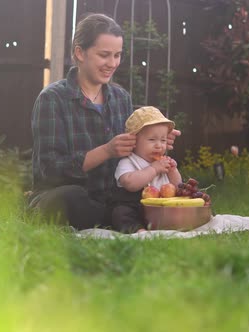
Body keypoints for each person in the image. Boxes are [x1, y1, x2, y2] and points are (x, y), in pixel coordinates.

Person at [29, 13, 180, 230]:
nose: (112, 63)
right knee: (71, 197)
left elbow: (133, 157)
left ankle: (114, 218)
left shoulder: (121, 98)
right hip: (64, 195)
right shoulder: (52, 99)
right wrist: (106, 151)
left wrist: (155, 141)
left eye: (117, 55)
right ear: (80, 53)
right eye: (104, 55)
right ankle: (113, 219)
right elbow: (50, 170)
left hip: (112, 197)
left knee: (149, 197)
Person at [111, 106, 183, 233]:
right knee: (121, 213)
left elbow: (178, 186)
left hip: (160, 208)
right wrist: (154, 169)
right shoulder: (128, 161)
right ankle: (137, 230)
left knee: (182, 203)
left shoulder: (163, 162)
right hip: (136, 208)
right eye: (152, 139)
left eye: (163, 140)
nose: (159, 145)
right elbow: (130, 183)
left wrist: (173, 171)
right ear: (133, 141)